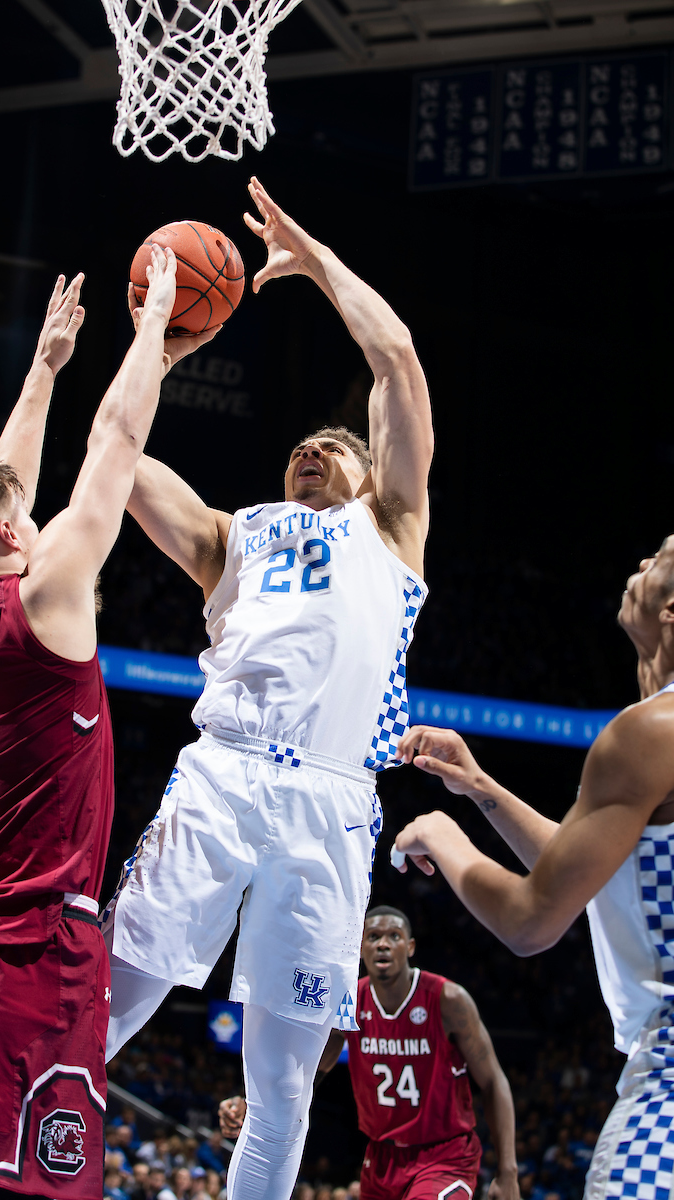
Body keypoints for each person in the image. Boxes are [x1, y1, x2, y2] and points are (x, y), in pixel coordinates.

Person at [101, 176, 435, 1200]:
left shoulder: (390, 527)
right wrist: (154, 350)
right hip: (222, 778)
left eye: (332, 446)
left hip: (330, 804)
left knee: (282, 1088)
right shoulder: (227, 535)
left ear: (374, 476)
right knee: (103, 1006)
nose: (310, 450)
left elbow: (395, 358)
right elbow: (113, 457)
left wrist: (316, 259)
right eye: (298, 446)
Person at [0, 248, 193, 1200]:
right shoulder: (48, 597)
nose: (39, 515)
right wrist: (151, 333)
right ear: (18, 537)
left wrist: (46, 367)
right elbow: (117, 446)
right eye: (27, 516)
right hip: (27, 956)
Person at [390, 534, 674, 1200]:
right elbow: (601, 870)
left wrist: (442, 832)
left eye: (660, 555)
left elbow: (531, 920)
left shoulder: (648, 734)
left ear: (671, 609)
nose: (641, 563)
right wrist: (482, 789)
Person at [219, 906, 519, 1200]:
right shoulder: (351, 1001)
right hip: (381, 1158)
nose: (383, 944)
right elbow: (311, 1069)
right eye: (373, 937)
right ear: (361, 947)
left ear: (410, 946)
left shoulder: (448, 1000)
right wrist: (259, 1107)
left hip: (444, 1155)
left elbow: (494, 1081)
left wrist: (508, 1172)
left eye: (394, 936)